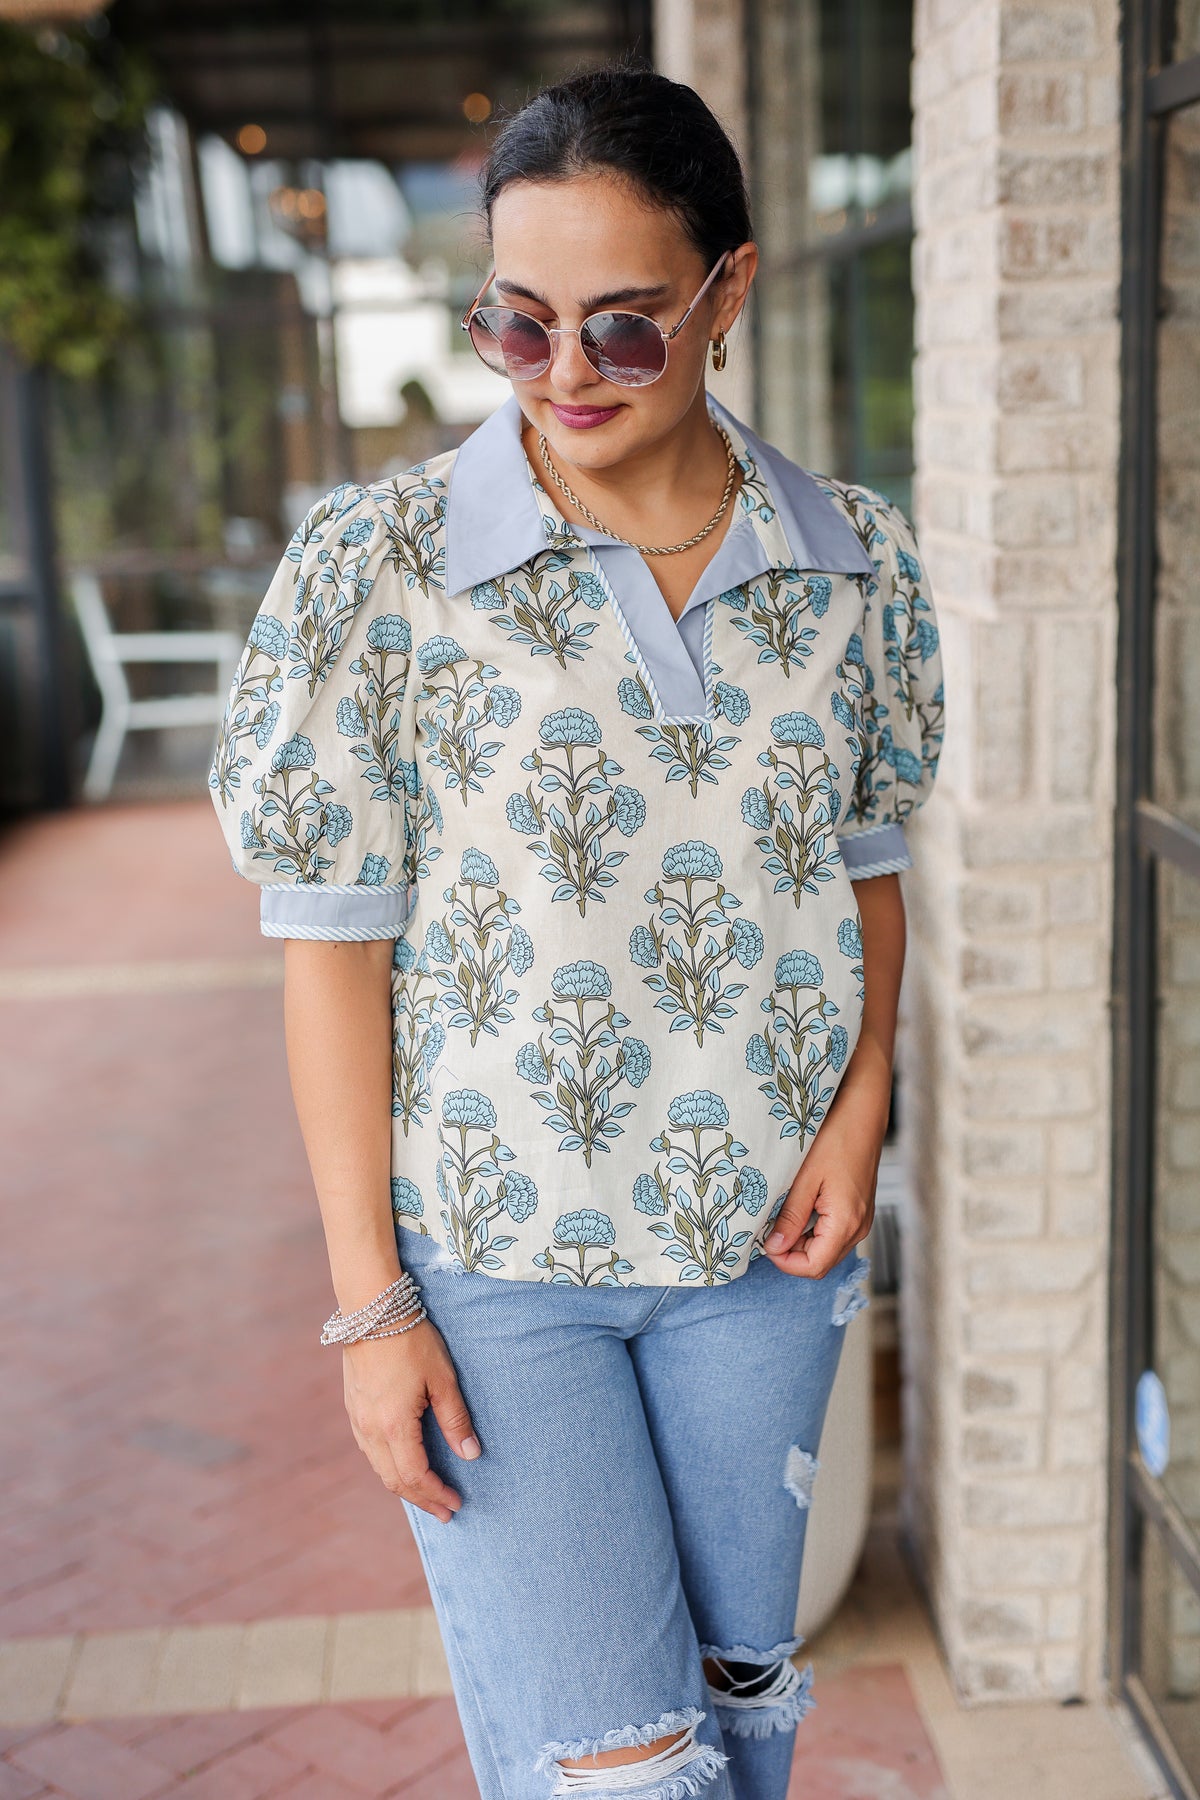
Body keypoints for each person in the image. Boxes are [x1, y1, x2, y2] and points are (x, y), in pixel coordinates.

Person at [208, 57, 945, 1800]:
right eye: (514, 325)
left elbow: (865, 863)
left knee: (743, 1735)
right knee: (624, 1776)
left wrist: (865, 1103)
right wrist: (367, 1309)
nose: (562, 377)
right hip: (493, 1264)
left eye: (622, 330)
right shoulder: (376, 571)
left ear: (730, 293)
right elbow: (334, 951)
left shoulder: (859, 566)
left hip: (763, 1257)